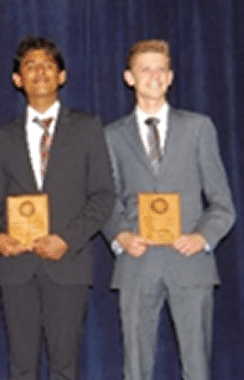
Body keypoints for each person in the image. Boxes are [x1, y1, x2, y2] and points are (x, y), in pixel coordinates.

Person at [0, 37, 115, 380]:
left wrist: (66, 239)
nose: (39, 72)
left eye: (48, 65)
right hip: (17, 267)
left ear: (62, 76)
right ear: (17, 79)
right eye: (30, 65)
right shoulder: (1, 137)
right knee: (22, 366)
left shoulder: (88, 128)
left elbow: (103, 196)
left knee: (65, 366)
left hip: (67, 263)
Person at [102, 39, 235, 380]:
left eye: (161, 68)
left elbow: (222, 204)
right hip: (137, 261)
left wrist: (201, 238)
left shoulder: (198, 128)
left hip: (190, 263)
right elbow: (106, 201)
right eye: (145, 68)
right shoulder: (111, 136)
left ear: (171, 76)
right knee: (136, 369)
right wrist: (120, 236)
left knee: (196, 367)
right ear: (129, 78)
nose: (154, 75)